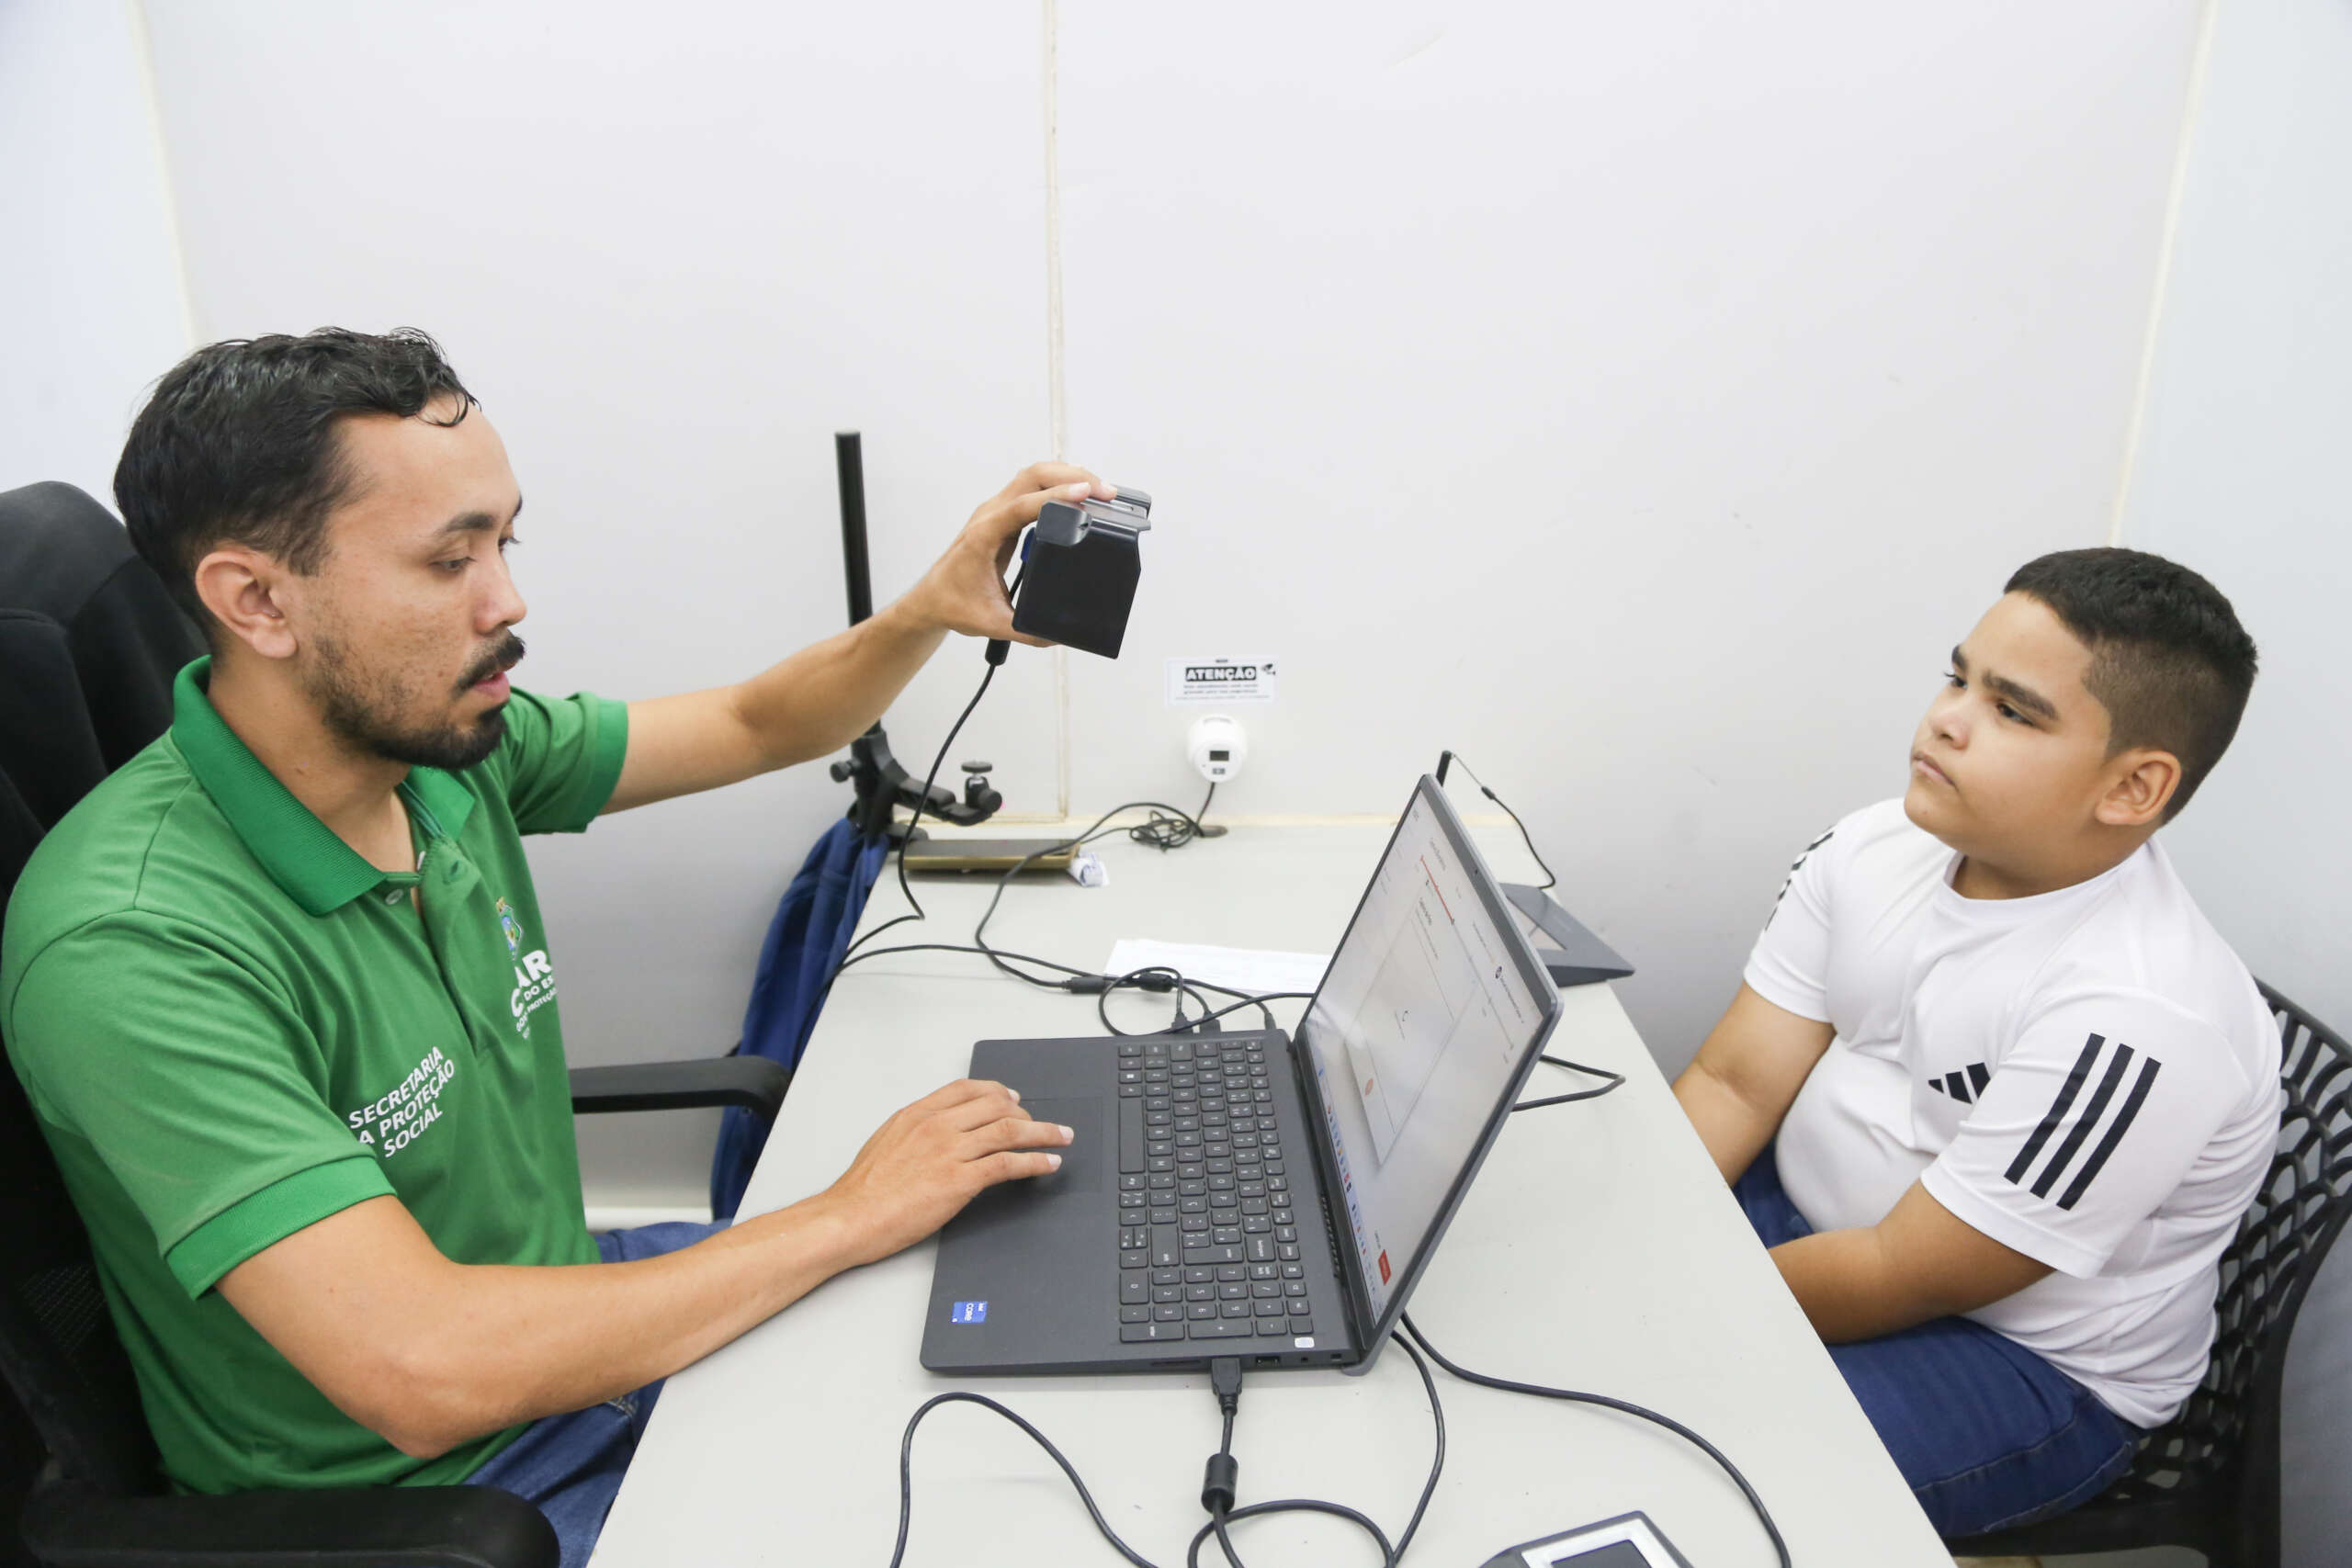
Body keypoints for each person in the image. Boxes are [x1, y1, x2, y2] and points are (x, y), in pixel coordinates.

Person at [0, 328, 1101, 1563]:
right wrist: (849, 1210)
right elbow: (419, 1365)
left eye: (503, 540)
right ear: (256, 599)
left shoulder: (437, 752)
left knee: (1012, 1347)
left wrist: (927, 608)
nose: (506, 599)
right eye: (447, 557)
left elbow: (752, 720)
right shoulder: (134, 944)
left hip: (577, 1324)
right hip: (438, 1492)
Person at [1671, 547, 2278, 1537]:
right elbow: (1734, 1085)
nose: (1945, 717)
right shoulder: (1874, 848)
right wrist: (1646, 1242)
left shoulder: (2140, 1013)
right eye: (1958, 677)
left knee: (1683, 1465)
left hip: (2019, 1362)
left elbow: (1905, 1271)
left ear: (2132, 788)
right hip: (1808, 1233)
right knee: (1540, 1276)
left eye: (2011, 710)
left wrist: (1666, 1306)